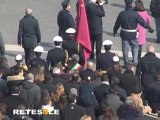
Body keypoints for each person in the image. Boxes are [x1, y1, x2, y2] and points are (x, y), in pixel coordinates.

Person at [113, 0, 154, 67]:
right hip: (133, 34)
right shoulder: (135, 14)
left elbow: (117, 24)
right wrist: (150, 28)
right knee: (135, 47)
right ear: (132, 4)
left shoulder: (122, 13)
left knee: (125, 48)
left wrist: (115, 31)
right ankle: (135, 61)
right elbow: (143, 23)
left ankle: (126, 63)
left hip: (124, 33)